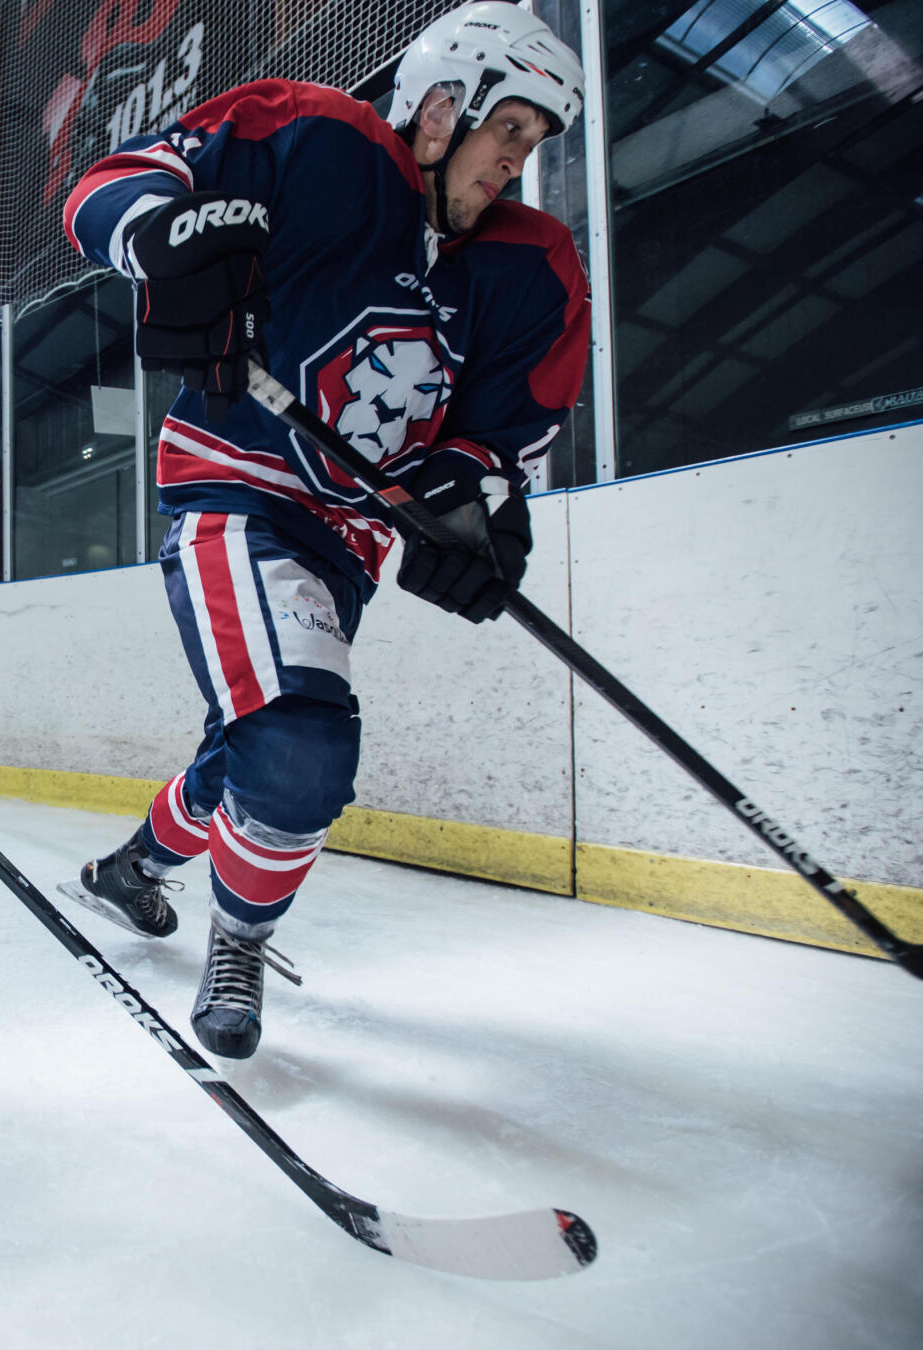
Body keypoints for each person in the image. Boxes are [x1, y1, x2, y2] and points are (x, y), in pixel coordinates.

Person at [57, 2, 591, 1059]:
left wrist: (472, 514)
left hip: (345, 540)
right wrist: (162, 236)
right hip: (237, 484)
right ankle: (240, 941)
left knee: (247, 741)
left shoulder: (531, 267)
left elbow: (502, 437)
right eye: (508, 134)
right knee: (299, 750)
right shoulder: (321, 139)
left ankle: (134, 869)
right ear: (443, 108)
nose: (513, 170)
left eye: (532, 150)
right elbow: (107, 187)